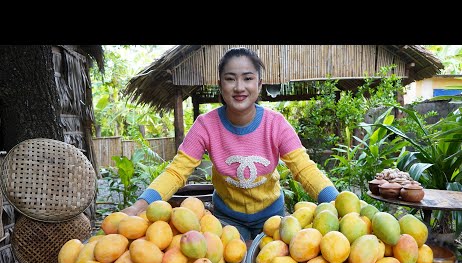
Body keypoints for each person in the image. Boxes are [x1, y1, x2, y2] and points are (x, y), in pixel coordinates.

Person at [122, 47, 339, 240]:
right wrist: (140, 206)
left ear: (259, 84)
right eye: (230, 78)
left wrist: (338, 202)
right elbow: (177, 172)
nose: (239, 87)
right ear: (220, 84)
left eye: (247, 78)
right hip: (227, 219)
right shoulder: (205, 125)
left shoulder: (276, 125)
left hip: (272, 217)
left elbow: (304, 168)